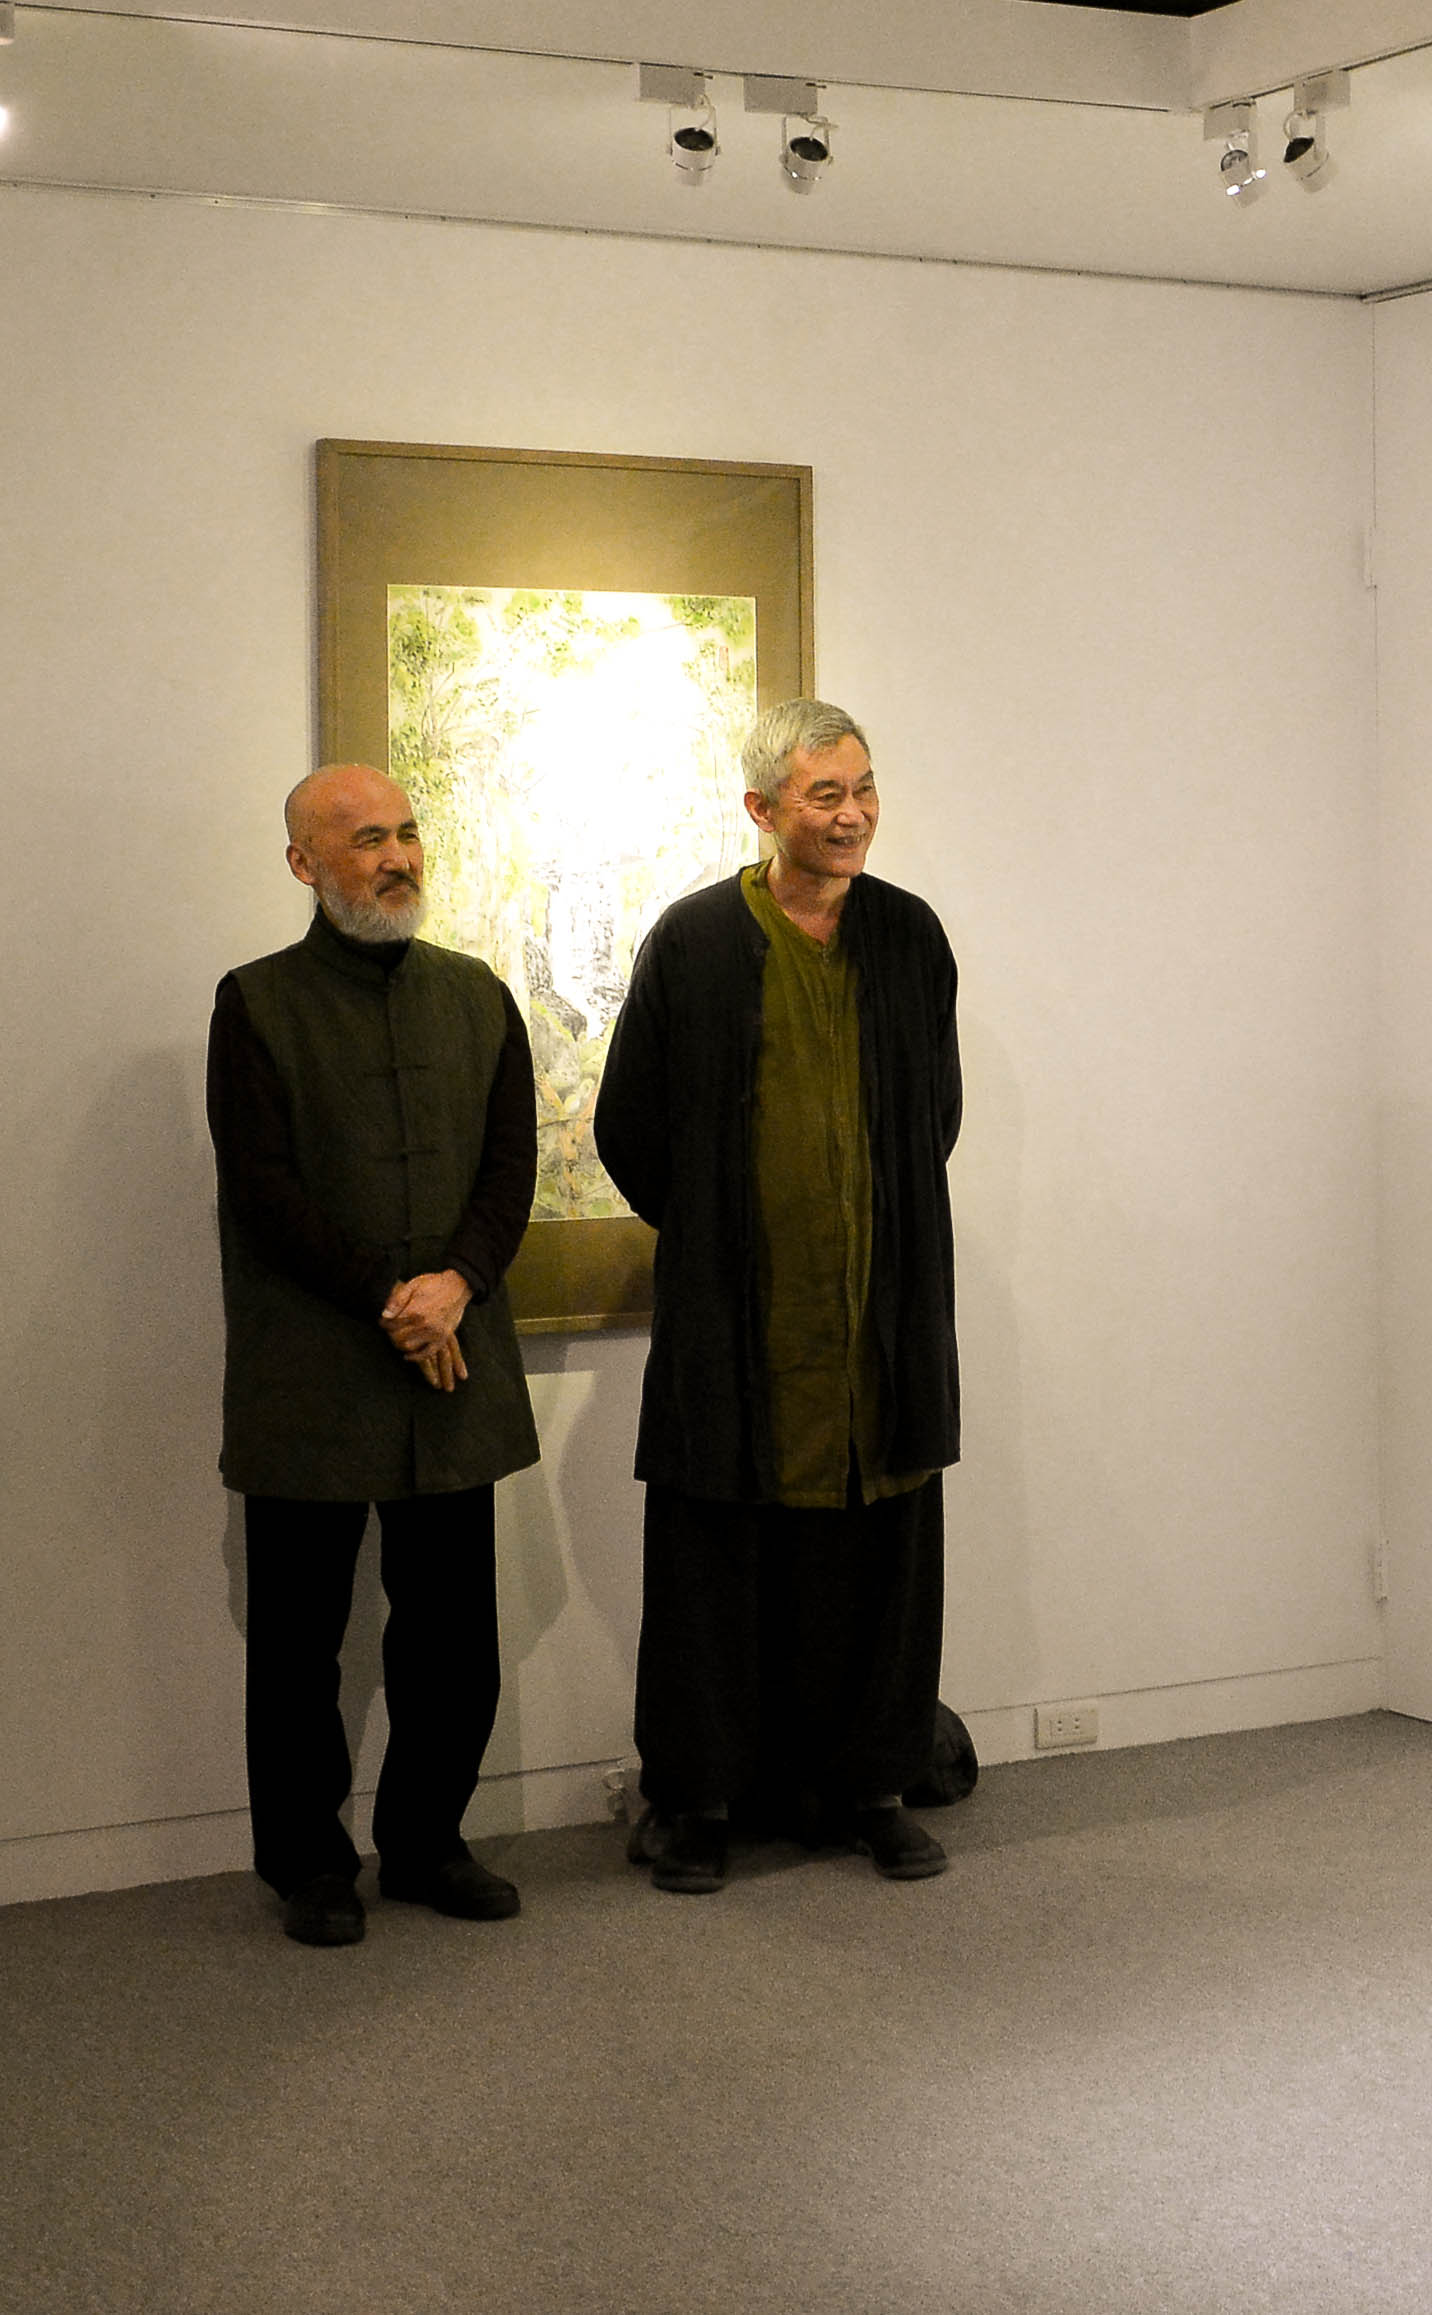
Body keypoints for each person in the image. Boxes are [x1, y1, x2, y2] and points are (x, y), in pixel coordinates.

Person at [597, 698, 962, 1895]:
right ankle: (697, 1801)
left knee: (878, 1564)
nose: (853, 814)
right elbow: (629, 1125)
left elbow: (934, 1116)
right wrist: (724, 1235)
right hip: (736, 1325)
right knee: (716, 1567)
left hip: (879, 1323)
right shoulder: (697, 940)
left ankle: (873, 1788)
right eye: (825, 794)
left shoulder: (908, 937)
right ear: (762, 808)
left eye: (863, 787)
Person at [209, 763, 539, 1946]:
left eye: (405, 832)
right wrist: (392, 1298)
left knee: (452, 1634)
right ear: (304, 863)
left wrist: (456, 1283)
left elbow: (510, 1166)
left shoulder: (478, 995)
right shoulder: (256, 1002)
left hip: (453, 1359)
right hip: (312, 1368)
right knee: (299, 1643)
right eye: (363, 839)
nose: (395, 856)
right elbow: (263, 1190)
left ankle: (426, 1842)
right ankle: (307, 1862)